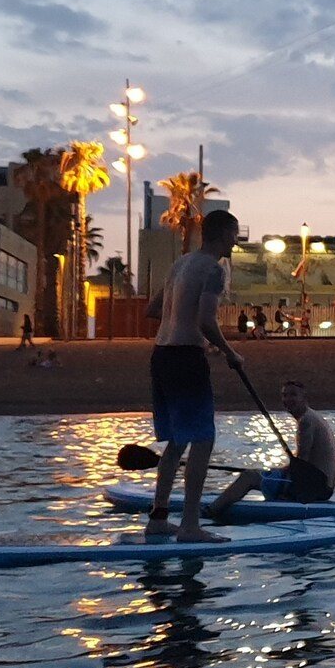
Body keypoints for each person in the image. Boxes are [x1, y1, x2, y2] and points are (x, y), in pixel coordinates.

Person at [144, 209, 243, 543]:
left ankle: (159, 518)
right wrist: (229, 351)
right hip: (186, 359)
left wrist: (185, 323)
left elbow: (153, 309)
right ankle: (189, 525)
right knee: (203, 439)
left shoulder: (181, 263)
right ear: (220, 234)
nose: (236, 240)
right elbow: (205, 319)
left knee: (177, 440)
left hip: (161, 355)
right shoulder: (214, 269)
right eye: (234, 234)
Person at [207, 379, 335, 519]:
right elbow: (333, 458)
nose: (287, 400)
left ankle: (210, 512)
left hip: (313, 489)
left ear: (304, 397)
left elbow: (302, 462)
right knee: (268, 473)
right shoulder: (317, 417)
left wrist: (286, 486)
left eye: (293, 395)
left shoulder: (306, 422)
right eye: (284, 395)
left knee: (249, 476)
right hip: (324, 488)